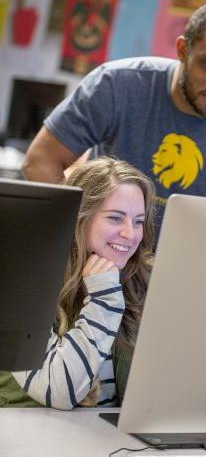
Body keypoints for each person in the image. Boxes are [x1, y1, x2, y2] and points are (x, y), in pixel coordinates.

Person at [22, 3, 206, 233]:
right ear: (183, 50)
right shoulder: (117, 85)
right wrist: (86, 233)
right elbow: (40, 161)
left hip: (177, 269)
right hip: (98, 263)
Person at [1, 157, 155, 410]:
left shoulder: (138, 280)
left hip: (109, 442)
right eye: (116, 218)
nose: (131, 233)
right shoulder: (20, 283)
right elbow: (57, 391)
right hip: (34, 438)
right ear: (79, 219)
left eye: (138, 221)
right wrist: (104, 298)